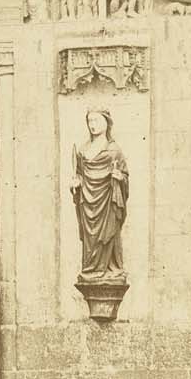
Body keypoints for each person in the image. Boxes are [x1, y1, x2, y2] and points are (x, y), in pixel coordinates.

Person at [70, 109, 129, 281]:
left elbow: (124, 175)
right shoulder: (82, 150)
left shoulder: (114, 150)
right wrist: (76, 183)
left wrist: (120, 178)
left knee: (108, 233)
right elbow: (79, 174)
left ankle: (109, 269)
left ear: (106, 122)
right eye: (90, 121)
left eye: (97, 120)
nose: (93, 125)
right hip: (88, 205)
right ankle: (90, 269)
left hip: (107, 203)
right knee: (90, 240)